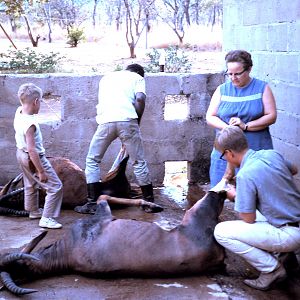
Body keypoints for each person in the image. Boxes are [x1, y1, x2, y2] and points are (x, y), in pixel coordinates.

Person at [213, 126, 300, 291]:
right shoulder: (271, 154)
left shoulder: (245, 174)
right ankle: (287, 257)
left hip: (290, 234)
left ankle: (272, 270)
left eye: (223, 156)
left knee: (221, 232)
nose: (226, 159)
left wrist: (235, 195)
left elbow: (248, 218)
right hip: (295, 221)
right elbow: (294, 169)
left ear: (229, 153)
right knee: (261, 208)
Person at [75, 64, 154, 214]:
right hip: (128, 120)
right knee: (138, 162)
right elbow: (140, 99)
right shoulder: (138, 78)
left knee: (92, 160)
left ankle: (92, 203)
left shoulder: (106, 78)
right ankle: (149, 202)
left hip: (106, 122)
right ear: (139, 73)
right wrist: (136, 122)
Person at [206, 50, 277, 187]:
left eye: (238, 73)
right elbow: (210, 116)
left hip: (256, 149)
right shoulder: (222, 90)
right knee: (220, 189)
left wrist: (246, 126)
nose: (233, 78)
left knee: (257, 189)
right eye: (230, 74)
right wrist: (227, 128)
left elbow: (271, 116)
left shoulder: (262, 88)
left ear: (249, 69)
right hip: (226, 151)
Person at [14, 83, 63, 229]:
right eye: (40, 101)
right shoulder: (31, 124)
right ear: (36, 102)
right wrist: (41, 171)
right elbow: (32, 150)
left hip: (20, 154)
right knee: (55, 187)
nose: (40, 104)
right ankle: (47, 218)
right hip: (33, 158)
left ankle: (33, 211)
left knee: (30, 183)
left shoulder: (19, 111)